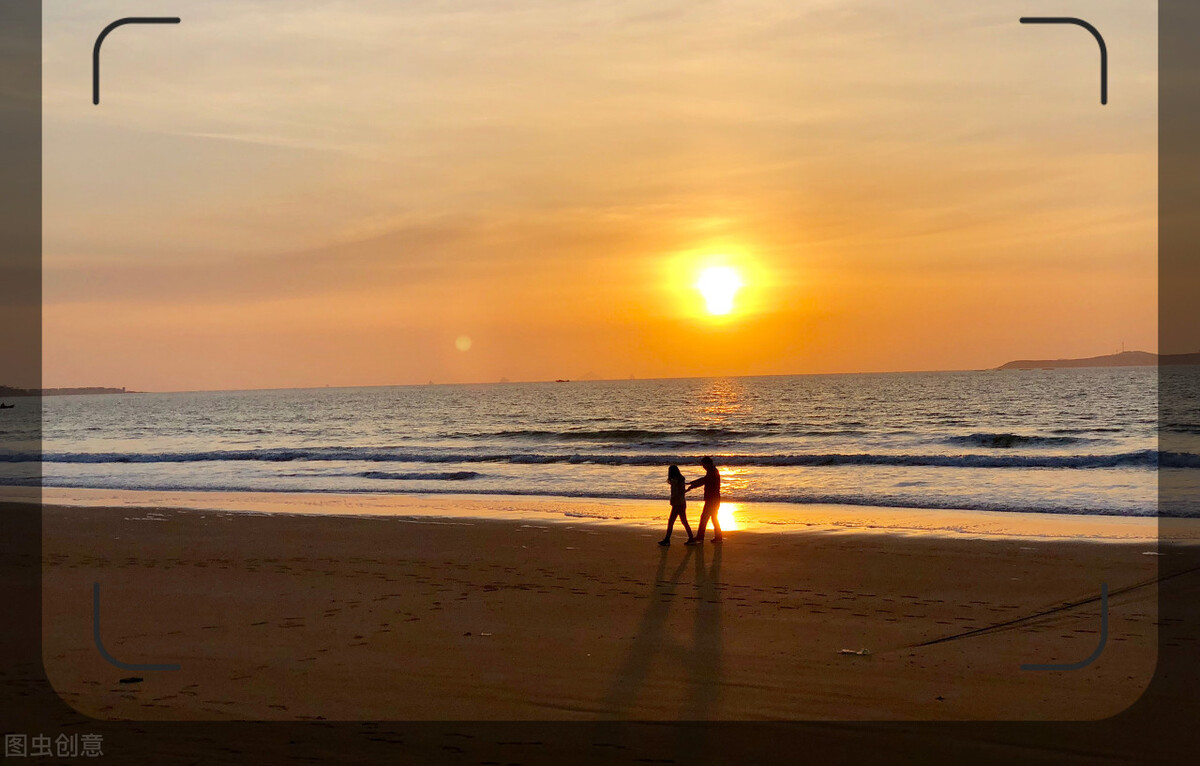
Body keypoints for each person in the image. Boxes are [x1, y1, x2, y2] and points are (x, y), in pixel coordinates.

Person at [687, 456, 723, 543]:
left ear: (708, 464)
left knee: (704, 518)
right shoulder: (713, 471)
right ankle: (718, 537)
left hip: (712, 499)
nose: (703, 467)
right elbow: (704, 480)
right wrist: (692, 484)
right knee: (713, 518)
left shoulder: (712, 472)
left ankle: (700, 537)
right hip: (714, 499)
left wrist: (692, 484)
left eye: (704, 465)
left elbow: (704, 480)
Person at [660, 465, 695, 546]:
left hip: (677, 504)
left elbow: (677, 492)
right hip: (682, 503)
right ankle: (691, 538)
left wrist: (673, 499)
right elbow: (682, 492)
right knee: (683, 521)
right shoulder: (680, 480)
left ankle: (667, 540)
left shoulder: (675, 481)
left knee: (672, 521)